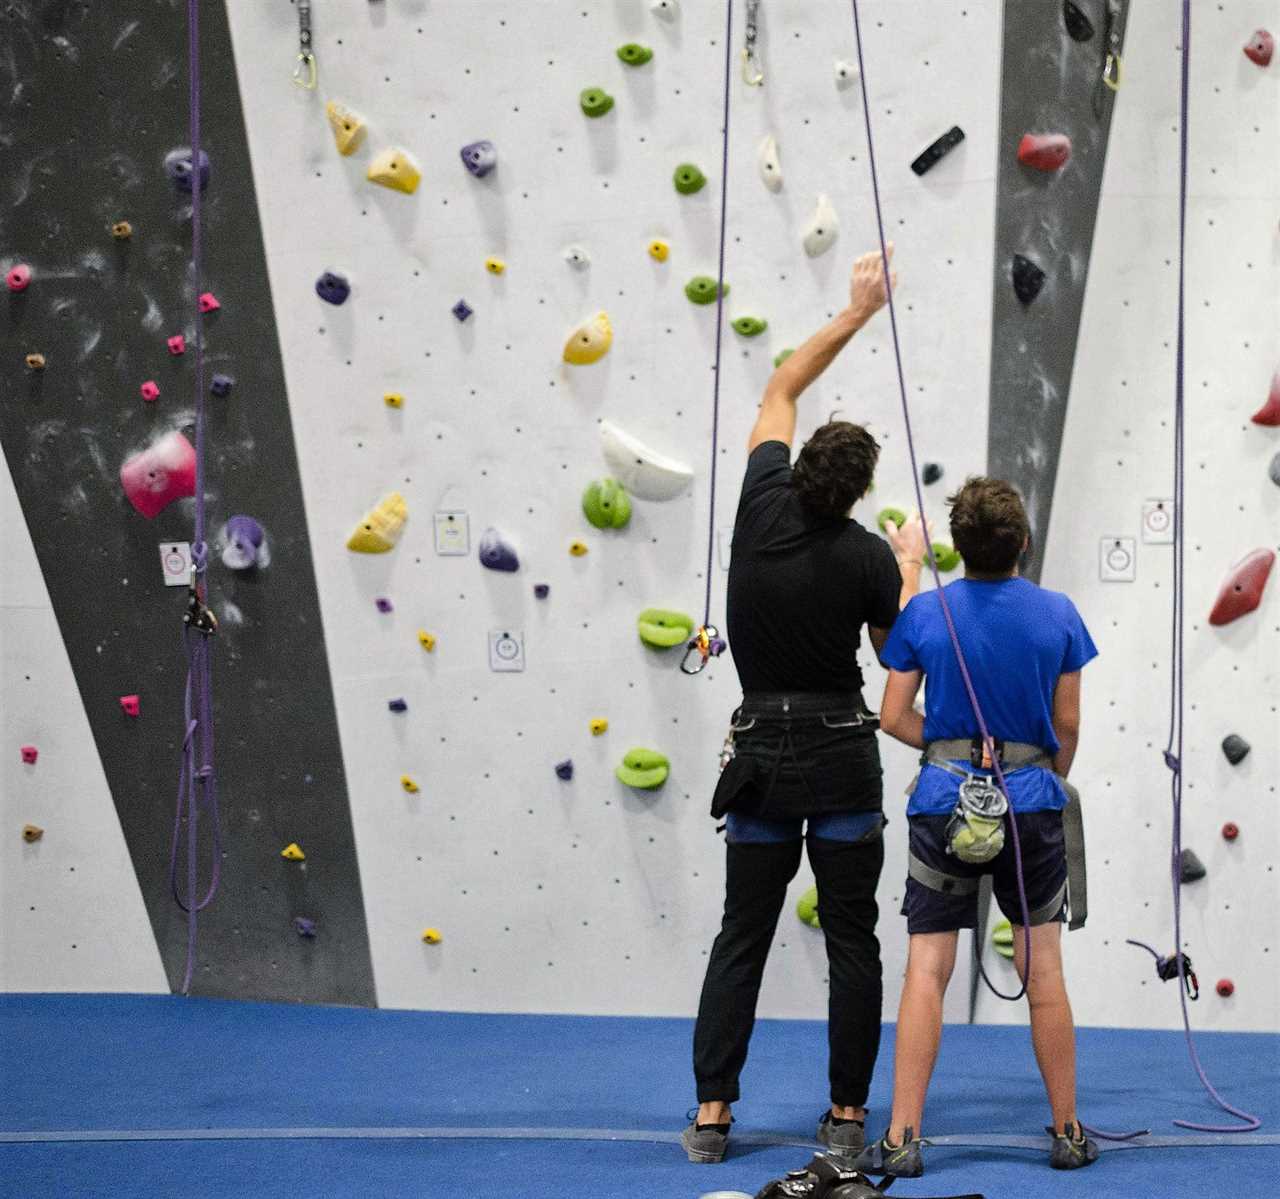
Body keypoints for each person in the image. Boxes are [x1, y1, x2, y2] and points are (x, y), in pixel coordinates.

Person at [682, 247, 930, 1165]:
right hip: (838, 758)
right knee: (854, 940)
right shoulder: (866, 554)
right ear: (858, 492)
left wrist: (857, 311)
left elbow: (784, 378)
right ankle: (847, 1115)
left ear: (795, 466)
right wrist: (906, 562)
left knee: (741, 930)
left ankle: (713, 1114)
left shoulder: (757, 502)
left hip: (760, 754)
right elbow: (895, 649)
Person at [856, 477, 1100, 1177]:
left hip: (943, 800)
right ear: (1023, 542)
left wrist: (952, 745)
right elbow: (1069, 724)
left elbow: (893, 715)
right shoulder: (1058, 614)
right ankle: (1068, 1130)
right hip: (1029, 803)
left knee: (928, 966)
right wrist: (1043, 774)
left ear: (956, 549)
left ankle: (902, 1136)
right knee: (1042, 966)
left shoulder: (927, 613)